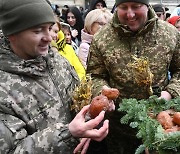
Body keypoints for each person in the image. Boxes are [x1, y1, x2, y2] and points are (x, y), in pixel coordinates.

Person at [0, 0, 110, 153]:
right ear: (12, 34)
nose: (50, 37)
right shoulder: (3, 88)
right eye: (38, 31)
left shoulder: (55, 60)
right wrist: (68, 134)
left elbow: (78, 99)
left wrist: (93, 110)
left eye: (50, 28)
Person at [86, 0, 180, 153]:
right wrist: (102, 93)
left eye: (136, 7)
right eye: (123, 7)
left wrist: (169, 93)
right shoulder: (102, 38)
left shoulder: (169, 34)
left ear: (147, 6)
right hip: (119, 131)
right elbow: (94, 75)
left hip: (160, 129)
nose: (130, 14)